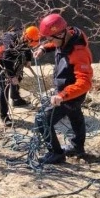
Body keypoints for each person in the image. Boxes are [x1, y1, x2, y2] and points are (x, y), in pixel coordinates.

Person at [33, 13, 93, 164]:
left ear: (61, 34)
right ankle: (77, 147)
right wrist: (44, 49)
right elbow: (54, 43)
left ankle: (56, 153)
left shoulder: (78, 53)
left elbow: (85, 82)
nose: (50, 41)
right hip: (69, 92)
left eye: (51, 38)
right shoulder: (67, 37)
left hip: (71, 93)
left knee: (42, 120)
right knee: (75, 115)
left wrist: (63, 95)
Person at [0, 25, 40, 126]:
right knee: (4, 87)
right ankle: (4, 116)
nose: (30, 45)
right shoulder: (10, 40)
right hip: (1, 58)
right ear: (26, 37)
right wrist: (11, 76)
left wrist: (28, 60)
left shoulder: (25, 38)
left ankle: (15, 98)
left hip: (13, 56)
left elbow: (27, 48)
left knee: (19, 75)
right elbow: (6, 58)